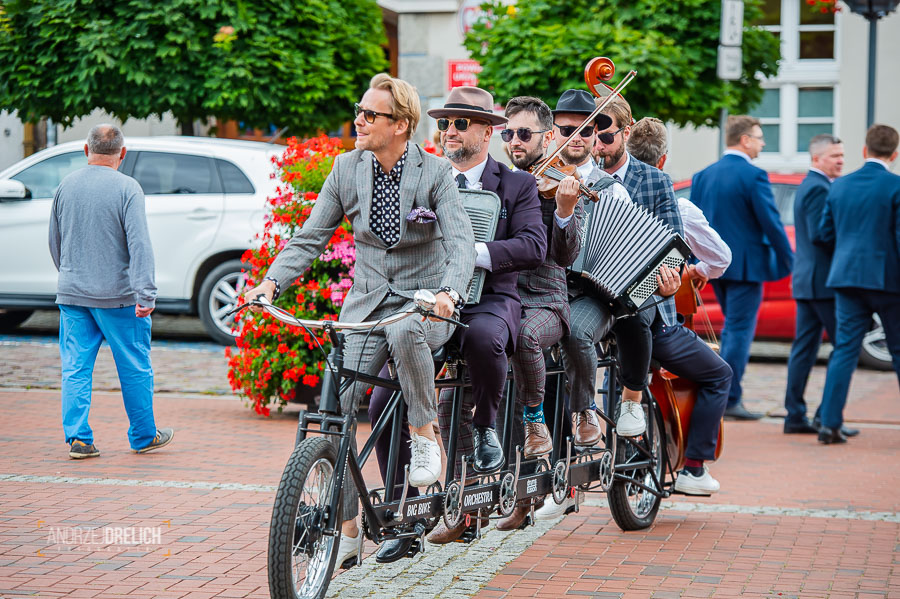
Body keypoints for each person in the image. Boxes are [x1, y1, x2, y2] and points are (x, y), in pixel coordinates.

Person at [244, 73, 476, 566]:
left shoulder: (434, 174)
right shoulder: (345, 169)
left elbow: (458, 241)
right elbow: (310, 238)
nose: (359, 120)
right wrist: (270, 283)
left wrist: (449, 293)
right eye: (359, 110)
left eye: (371, 115)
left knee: (405, 325)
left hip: (425, 303)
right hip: (366, 303)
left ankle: (425, 436)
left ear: (402, 125)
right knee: (337, 411)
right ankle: (347, 528)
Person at [423, 86, 547, 544]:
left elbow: (534, 246)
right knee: (383, 387)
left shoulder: (517, 184)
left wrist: (470, 251)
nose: (449, 131)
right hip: (430, 298)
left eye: (459, 123)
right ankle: (403, 508)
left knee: (483, 338)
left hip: (491, 298)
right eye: (443, 123)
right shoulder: (427, 177)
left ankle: (484, 429)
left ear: (487, 131)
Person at [49, 124, 172, 459]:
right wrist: (145, 293)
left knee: (75, 367)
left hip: (73, 294)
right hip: (118, 298)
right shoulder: (128, 188)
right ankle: (144, 436)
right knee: (134, 366)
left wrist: (72, 276)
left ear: (86, 151)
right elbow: (139, 245)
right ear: (123, 153)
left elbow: (55, 242)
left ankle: (78, 439)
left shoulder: (65, 186)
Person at [627, 116, 732, 494]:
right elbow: (721, 258)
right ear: (663, 160)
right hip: (660, 325)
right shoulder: (680, 208)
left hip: (615, 327)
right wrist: (696, 270)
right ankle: (693, 467)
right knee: (719, 375)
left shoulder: (612, 191)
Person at [493, 96, 585, 529]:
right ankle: (476, 492)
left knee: (525, 338)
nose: (514, 141)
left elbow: (566, 257)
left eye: (524, 134)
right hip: (502, 297)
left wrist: (564, 212)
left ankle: (536, 424)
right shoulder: (497, 181)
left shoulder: (562, 184)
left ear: (548, 137)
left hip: (546, 300)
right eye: (507, 133)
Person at [690, 115, 794, 421]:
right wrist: (787, 260)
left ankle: (719, 392)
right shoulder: (754, 176)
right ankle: (729, 397)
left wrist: (697, 264)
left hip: (712, 266)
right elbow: (772, 223)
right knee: (738, 331)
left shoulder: (703, 175)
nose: (762, 143)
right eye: (759, 137)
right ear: (745, 140)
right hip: (747, 267)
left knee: (730, 329)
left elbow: (695, 225)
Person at [813, 124, 900, 444]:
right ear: (895, 154)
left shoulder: (839, 186)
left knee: (845, 350)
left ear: (865, 151)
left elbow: (824, 234)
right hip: (888, 280)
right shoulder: (896, 186)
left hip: (847, 278)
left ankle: (829, 424)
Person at [783, 134, 854, 436]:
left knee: (806, 348)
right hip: (820, 283)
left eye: (842, 155)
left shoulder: (814, 185)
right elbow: (820, 235)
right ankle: (825, 416)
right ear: (817, 159)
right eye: (834, 156)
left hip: (810, 281)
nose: (841, 160)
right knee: (843, 347)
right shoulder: (818, 188)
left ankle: (797, 416)